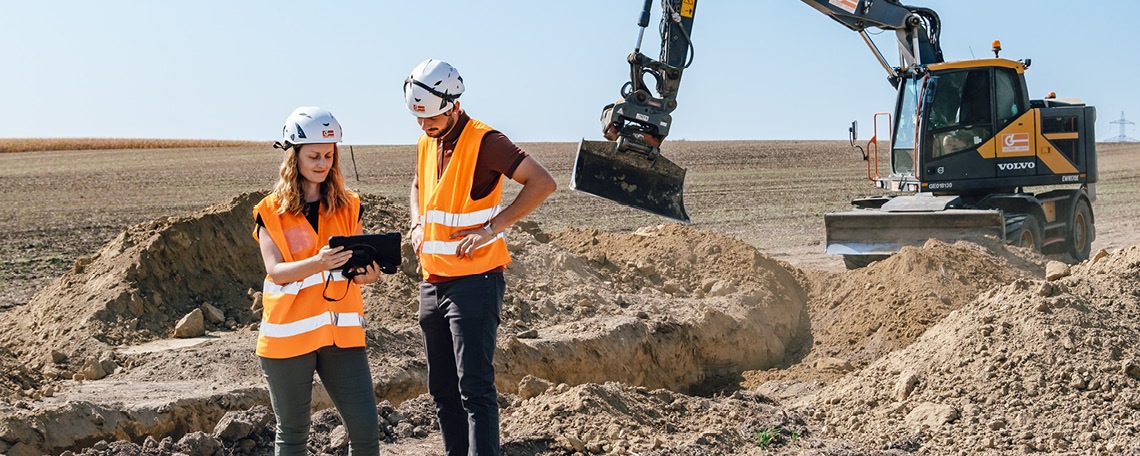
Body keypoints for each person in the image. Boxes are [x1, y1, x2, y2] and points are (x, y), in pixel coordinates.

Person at [403, 59, 556, 455]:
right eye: (419, 119)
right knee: (443, 390)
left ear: (453, 104)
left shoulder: (487, 141)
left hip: (475, 282)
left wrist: (493, 228)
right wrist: (417, 224)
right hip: (432, 283)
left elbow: (543, 182)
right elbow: (418, 185)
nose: (425, 127)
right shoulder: (427, 141)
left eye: (432, 118)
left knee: (474, 388)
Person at [252, 106, 382, 456]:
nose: (322, 163)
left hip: (340, 335)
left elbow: (357, 265)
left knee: (366, 429)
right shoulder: (270, 211)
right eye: (313, 156)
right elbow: (275, 272)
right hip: (288, 337)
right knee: (294, 433)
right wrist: (318, 261)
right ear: (294, 156)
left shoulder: (350, 205)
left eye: (328, 155)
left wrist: (367, 275)